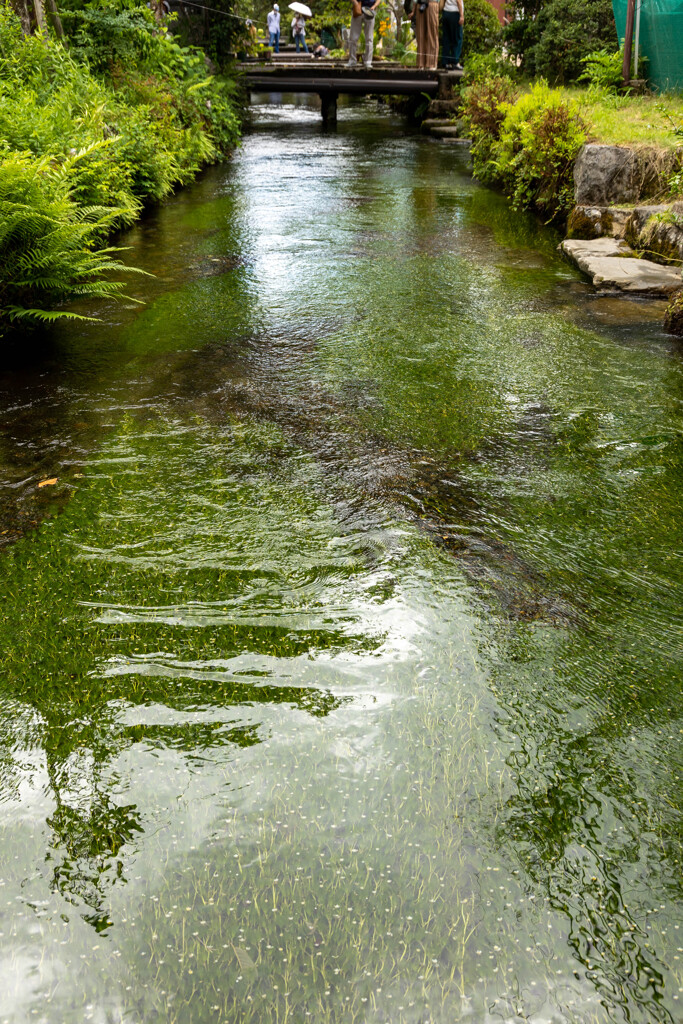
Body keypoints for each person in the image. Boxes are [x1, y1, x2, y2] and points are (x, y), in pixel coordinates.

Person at [347, 0, 380, 70]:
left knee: (369, 38)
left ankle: (368, 62)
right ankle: (352, 61)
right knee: (353, 38)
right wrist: (355, 2)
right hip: (358, 9)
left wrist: (374, 6)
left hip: (370, 11)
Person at [410, 0, 439, 70]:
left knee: (432, 35)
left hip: (432, 4)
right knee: (420, 35)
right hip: (420, 5)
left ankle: (432, 63)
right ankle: (421, 63)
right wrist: (413, 10)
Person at [440, 0, 463, 70]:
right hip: (455, 13)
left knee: (446, 39)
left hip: (446, 12)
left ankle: (445, 62)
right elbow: (458, 1)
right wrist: (462, 15)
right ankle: (455, 62)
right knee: (457, 39)